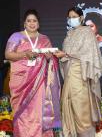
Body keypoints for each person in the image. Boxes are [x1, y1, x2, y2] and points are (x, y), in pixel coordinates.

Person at [5, 9, 62, 137]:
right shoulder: (17, 36)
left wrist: (48, 57)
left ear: (38, 23)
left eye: (34, 21)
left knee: (38, 112)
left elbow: (51, 60)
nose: (32, 23)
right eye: (29, 21)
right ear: (24, 23)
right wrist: (25, 54)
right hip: (20, 83)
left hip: (39, 82)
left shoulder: (44, 39)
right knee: (22, 114)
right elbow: (8, 55)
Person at [54, 6, 102, 137]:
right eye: (69, 18)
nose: (71, 20)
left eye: (74, 17)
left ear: (81, 18)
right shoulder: (70, 34)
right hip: (69, 77)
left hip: (81, 76)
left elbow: (89, 55)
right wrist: (62, 55)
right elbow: (67, 55)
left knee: (81, 109)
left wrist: (66, 54)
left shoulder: (87, 32)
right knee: (68, 106)